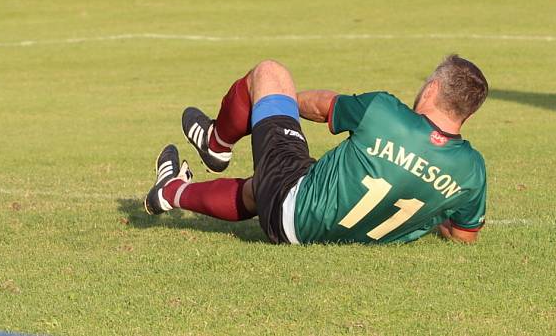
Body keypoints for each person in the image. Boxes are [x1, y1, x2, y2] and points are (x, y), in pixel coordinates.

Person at [145, 55, 488, 245]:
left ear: (431, 89)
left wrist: (268, 103)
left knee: (270, 72)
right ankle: (170, 192)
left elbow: (324, 106)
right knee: (257, 189)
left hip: (293, 210)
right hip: (320, 220)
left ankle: (216, 144)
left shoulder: (387, 113)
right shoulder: (472, 171)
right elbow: (463, 236)